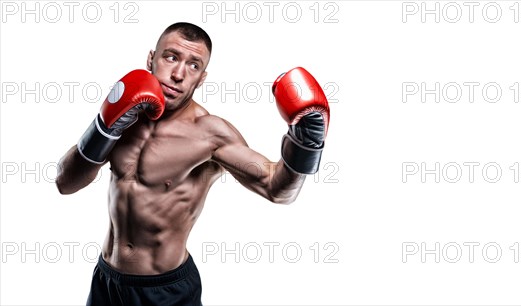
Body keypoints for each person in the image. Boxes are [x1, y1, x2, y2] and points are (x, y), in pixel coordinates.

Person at [55, 22, 330, 306]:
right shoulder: (126, 111)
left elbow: (278, 189)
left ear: (202, 78)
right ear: (151, 58)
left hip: (165, 291)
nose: (178, 75)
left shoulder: (210, 134)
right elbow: (65, 182)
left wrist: (305, 142)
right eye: (171, 57)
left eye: (193, 66)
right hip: (107, 281)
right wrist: (104, 128)